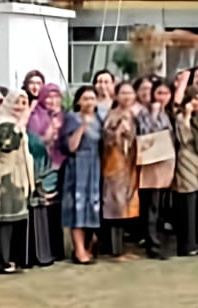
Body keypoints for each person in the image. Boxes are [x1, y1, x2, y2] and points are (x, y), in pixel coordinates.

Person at [0, 89, 34, 274]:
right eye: (17, 102)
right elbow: (7, 143)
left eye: (24, 102)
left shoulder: (17, 123)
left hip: (17, 177)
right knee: (2, 220)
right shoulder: (0, 120)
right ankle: (0, 261)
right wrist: (21, 123)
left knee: (15, 219)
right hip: (2, 178)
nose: (20, 106)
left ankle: (13, 258)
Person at [61, 86, 103, 263]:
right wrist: (82, 126)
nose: (89, 102)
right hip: (78, 166)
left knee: (92, 207)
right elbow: (71, 146)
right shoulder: (72, 118)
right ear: (78, 101)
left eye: (92, 98)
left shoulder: (100, 119)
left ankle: (88, 247)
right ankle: (78, 250)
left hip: (95, 166)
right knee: (77, 208)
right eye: (85, 98)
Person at [24, 83, 66, 262]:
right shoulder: (33, 116)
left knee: (55, 209)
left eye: (56, 96)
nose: (52, 100)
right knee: (40, 208)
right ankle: (40, 253)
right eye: (48, 96)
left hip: (59, 167)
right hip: (39, 166)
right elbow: (34, 143)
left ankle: (56, 250)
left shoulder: (65, 116)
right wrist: (50, 131)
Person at [100, 82, 142, 258]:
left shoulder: (136, 114)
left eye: (129, 93)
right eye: (123, 93)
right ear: (116, 96)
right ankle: (114, 249)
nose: (126, 97)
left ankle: (124, 246)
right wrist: (117, 132)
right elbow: (105, 139)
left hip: (130, 163)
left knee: (128, 203)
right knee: (114, 205)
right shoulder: (112, 115)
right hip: (114, 163)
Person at [136, 80, 175, 259]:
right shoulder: (145, 113)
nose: (162, 97)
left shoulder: (169, 112)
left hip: (167, 162)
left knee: (162, 204)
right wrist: (154, 114)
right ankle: (152, 243)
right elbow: (146, 133)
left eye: (166, 93)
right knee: (151, 203)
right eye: (159, 93)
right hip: (151, 163)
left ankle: (160, 240)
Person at [172, 89, 198, 257]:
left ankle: (196, 242)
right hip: (185, 161)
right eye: (195, 98)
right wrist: (186, 116)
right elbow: (184, 139)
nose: (197, 102)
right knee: (187, 201)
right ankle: (186, 244)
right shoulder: (180, 117)